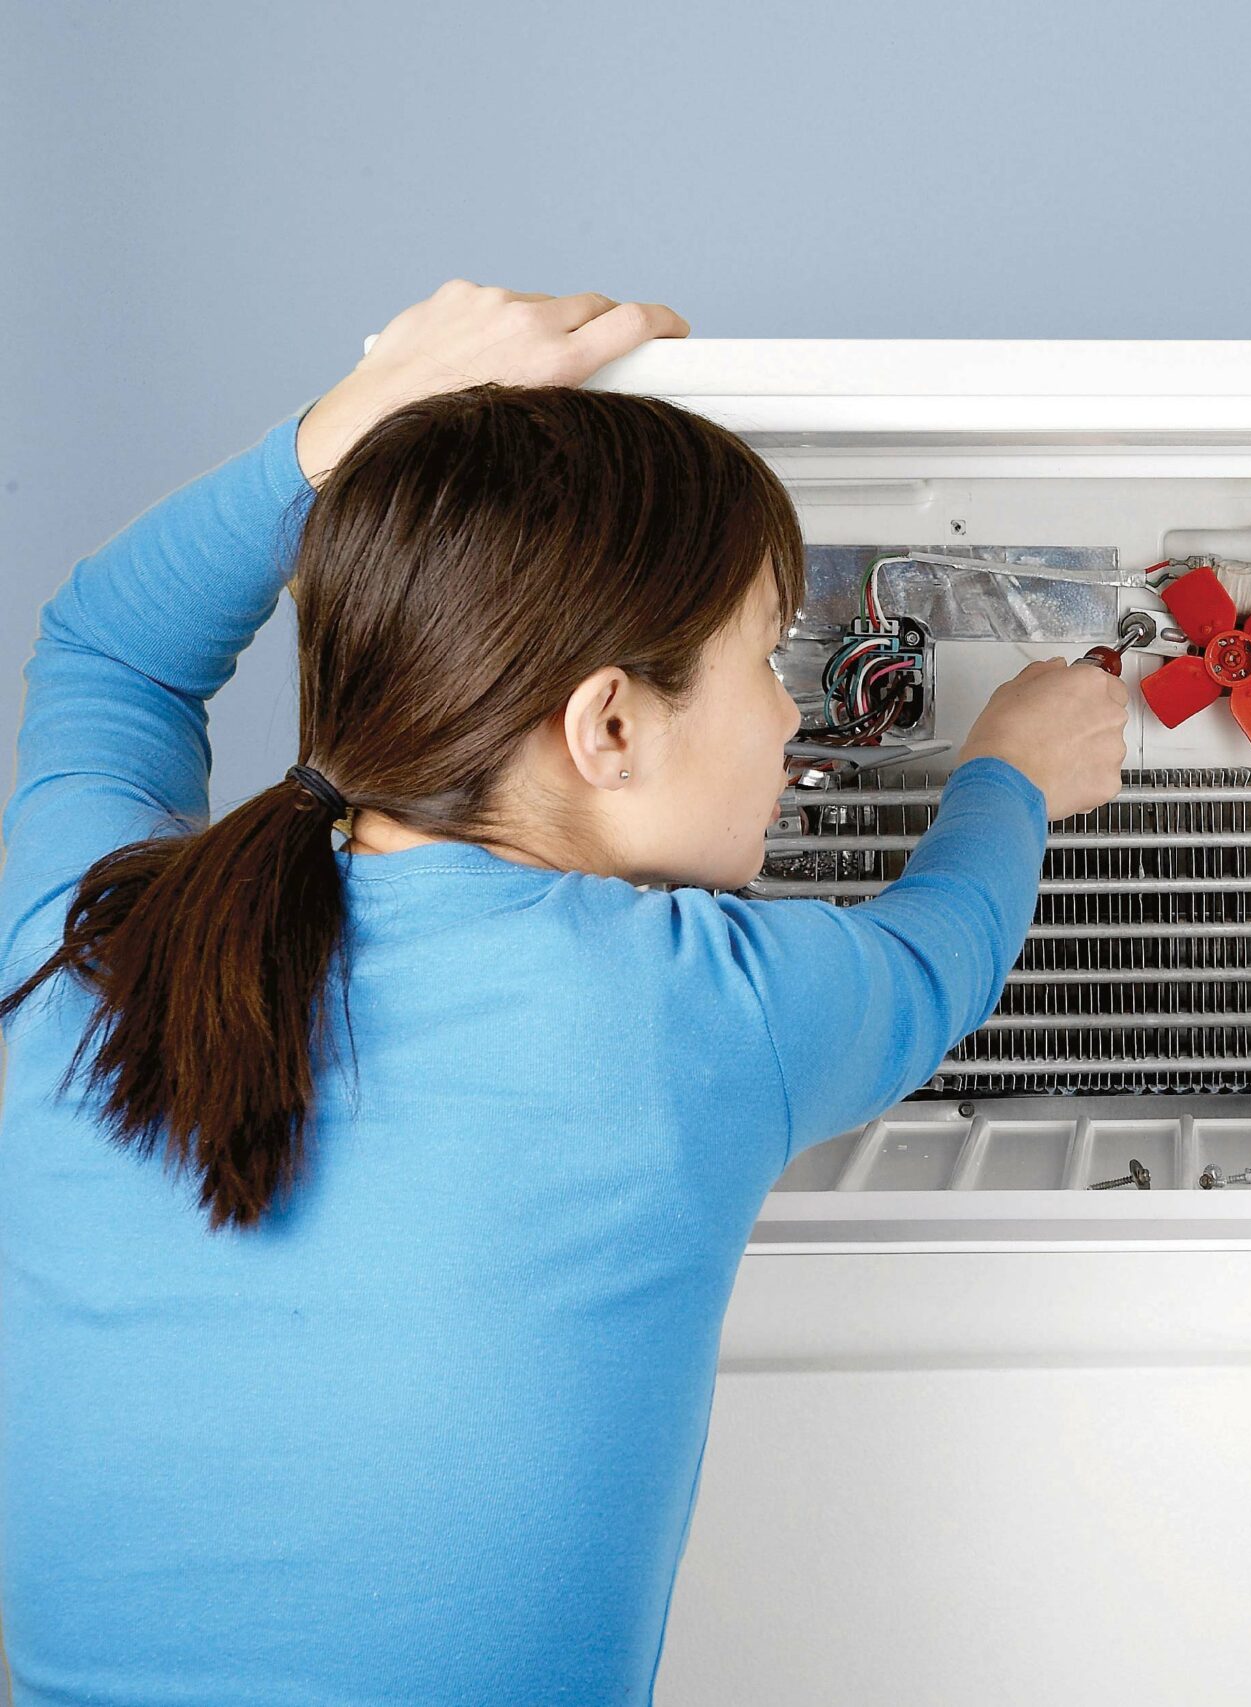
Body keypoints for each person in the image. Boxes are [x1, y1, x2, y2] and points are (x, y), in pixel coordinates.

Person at [0, 280, 1130, 1705]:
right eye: (766, 657)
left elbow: (109, 651)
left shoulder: (85, 943)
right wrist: (1013, 774)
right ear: (608, 724)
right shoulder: (694, 1011)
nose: (792, 713)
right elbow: (936, 956)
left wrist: (345, 424)